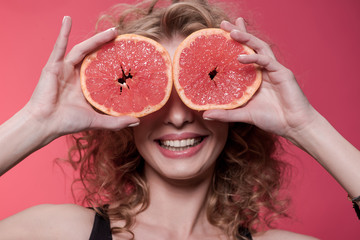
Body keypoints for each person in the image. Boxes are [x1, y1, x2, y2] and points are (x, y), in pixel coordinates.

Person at [0, 0, 359, 239]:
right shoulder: (59, 232)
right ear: (126, 111)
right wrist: (37, 120)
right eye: (158, 94)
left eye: (197, 90)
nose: (177, 116)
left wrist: (305, 126)